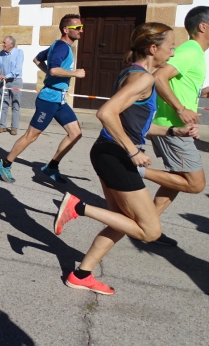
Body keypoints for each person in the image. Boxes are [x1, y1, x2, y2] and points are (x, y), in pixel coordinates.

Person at [54, 22, 199, 295]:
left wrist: (172, 130)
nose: (174, 50)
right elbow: (106, 113)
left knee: (122, 221)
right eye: (170, 46)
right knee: (150, 231)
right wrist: (133, 151)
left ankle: (81, 274)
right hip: (117, 156)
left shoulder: (135, 73)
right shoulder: (142, 78)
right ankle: (78, 207)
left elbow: (134, 123)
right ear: (153, 48)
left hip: (108, 153)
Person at [140, 6, 209, 246]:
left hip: (177, 125)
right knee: (195, 183)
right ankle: (133, 170)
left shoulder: (196, 54)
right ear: (203, 26)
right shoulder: (191, 50)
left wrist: (203, 92)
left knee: (176, 180)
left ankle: (148, 227)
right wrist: (181, 109)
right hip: (171, 125)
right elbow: (159, 77)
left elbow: (180, 83)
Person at [0, 15, 85, 183]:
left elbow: (37, 59)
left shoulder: (59, 46)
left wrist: (51, 75)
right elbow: (54, 70)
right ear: (66, 30)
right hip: (49, 99)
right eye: (77, 28)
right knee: (31, 136)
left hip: (59, 99)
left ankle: (52, 166)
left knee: (76, 133)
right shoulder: (62, 47)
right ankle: (4, 164)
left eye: (81, 27)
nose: (81, 31)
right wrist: (74, 73)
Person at [0, 36, 24, 135]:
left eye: (5, 42)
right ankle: (2, 126)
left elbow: (17, 69)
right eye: (3, 42)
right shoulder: (1, 53)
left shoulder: (19, 53)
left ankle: (14, 127)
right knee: (3, 104)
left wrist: (6, 76)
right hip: (4, 82)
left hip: (15, 81)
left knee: (15, 105)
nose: (3, 44)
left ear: (11, 44)